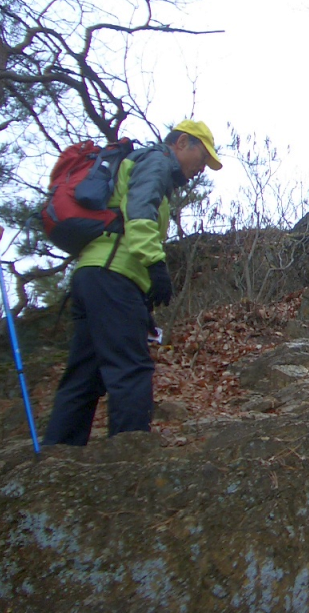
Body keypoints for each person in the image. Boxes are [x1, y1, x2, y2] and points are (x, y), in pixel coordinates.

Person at [43, 120, 222, 445]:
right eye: (202, 158)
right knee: (131, 368)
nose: (201, 169)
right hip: (114, 274)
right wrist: (155, 265)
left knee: (85, 376)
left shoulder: (141, 165)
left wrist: (142, 300)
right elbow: (139, 213)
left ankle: (57, 462)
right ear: (183, 142)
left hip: (94, 275)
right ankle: (130, 460)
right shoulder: (155, 160)